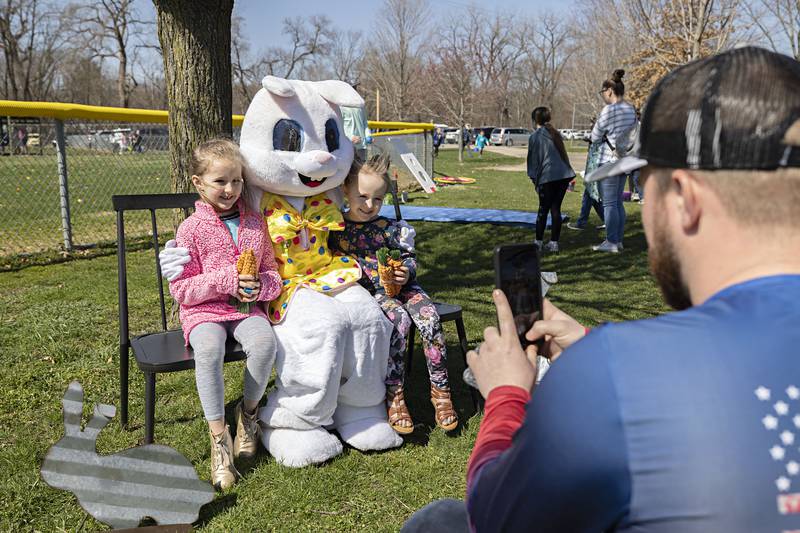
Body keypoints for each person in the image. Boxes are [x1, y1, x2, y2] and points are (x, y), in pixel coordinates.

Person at [401, 46, 800, 532]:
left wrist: (507, 394)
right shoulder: (613, 365)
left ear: (685, 200)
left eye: (643, 186)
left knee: (439, 521)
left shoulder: (614, 374)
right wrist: (590, 347)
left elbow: (494, 517)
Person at [169, 139, 283, 490]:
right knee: (208, 350)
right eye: (220, 181)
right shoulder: (190, 229)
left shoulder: (254, 224)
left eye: (236, 180)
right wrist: (226, 280)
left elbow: (272, 274)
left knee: (265, 344)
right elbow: (182, 290)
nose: (230, 189)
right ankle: (219, 437)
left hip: (245, 308)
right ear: (198, 183)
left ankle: (248, 414)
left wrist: (259, 288)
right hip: (203, 312)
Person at [328, 153, 458, 433]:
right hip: (375, 293)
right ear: (345, 191)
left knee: (430, 320)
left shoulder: (389, 229)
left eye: (377, 199)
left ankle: (441, 391)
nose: (370, 205)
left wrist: (407, 272)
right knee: (398, 323)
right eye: (363, 196)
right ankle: (395, 394)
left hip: (407, 289)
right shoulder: (336, 230)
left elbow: (409, 258)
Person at [590, 69, 637, 252]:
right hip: (624, 161)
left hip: (608, 160)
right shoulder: (630, 109)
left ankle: (611, 242)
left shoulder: (608, 110)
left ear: (609, 90)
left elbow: (595, 136)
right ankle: (618, 240)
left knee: (609, 204)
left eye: (603, 92)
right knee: (617, 203)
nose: (603, 96)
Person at [527, 107, 575, 253]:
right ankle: (554, 243)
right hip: (563, 176)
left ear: (535, 120)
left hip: (548, 176)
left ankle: (538, 242)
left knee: (543, 209)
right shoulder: (555, 133)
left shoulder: (535, 137)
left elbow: (532, 161)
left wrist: (534, 178)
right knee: (555, 209)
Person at [341, 88, 370, 162]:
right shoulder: (341, 108)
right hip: (348, 147)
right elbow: (339, 127)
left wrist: (368, 135)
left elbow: (365, 123)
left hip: (362, 147)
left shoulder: (360, 107)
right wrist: (350, 138)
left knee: (362, 169)